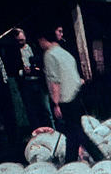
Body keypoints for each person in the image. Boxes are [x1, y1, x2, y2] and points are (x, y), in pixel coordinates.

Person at [36, 26, 103, 163]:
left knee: (75, 133)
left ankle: (98, 156)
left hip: (65, 100)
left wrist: (55, 104)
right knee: (73, 133)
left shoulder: (49, 55)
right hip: (76, 97)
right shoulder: (65, 53)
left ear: (43, 39)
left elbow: (54, 82)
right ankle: (71, 161)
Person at [3, 27, 50, 130]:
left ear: (25, 37)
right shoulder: (12, 52)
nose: (20, 42)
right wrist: (22, 72)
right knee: (31, 110)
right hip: (26, 84)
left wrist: (38, 69)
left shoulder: (34, 47)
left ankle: (51, 131)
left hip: (39, 81)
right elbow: (10, 68)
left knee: (45, 109)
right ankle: (37, 133)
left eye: (22, 40)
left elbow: (43, 61)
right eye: (18, 41)